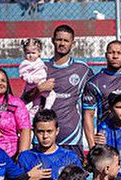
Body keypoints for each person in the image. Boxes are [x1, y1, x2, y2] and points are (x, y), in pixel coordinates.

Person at [21, 25, 93, 156]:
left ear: (73, 43)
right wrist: (39, 89)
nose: (62, 43)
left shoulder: (82, 69)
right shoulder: (40, 67)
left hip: (70, 137)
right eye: (59, 39)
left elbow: (96, 93)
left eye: (66, 40)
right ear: (52, 40)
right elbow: (24, 99)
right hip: (43, 136)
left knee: (72, 176)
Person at [82, 40, 121, 147]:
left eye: (119, 53)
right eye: (111, 52)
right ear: (106, 55)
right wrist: (91, 145)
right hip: (106, 137)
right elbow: (88, 115)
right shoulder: (94, 82)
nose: (115, 56)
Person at [18, 39, 54, 118]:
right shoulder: (25, 63)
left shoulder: (39, 62)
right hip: (32, 86)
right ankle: (32, 114)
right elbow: (23, 75)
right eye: (28, 53)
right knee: (36, 101)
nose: (30, 55)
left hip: (42, 83)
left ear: (39, 53)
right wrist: (32, 79)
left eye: (33, 53)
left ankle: (46, 109)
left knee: (50, 96)